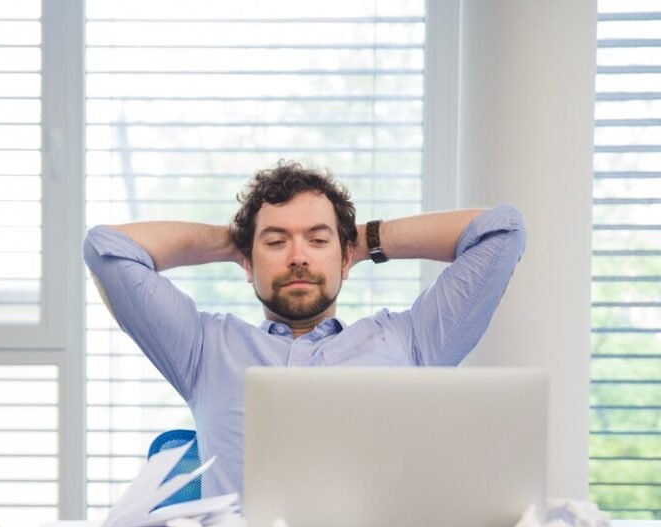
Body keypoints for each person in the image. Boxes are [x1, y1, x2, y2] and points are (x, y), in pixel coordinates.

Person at [83, 160, 526, 498]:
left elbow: (501, 232)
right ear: (248, 263)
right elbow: (107, 248)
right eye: (276, 242)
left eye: (318, 240)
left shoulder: (413, 342)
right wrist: (236, 241)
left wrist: (365, 240)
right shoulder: (203, 348)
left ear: (345, 257)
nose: (298, 257)